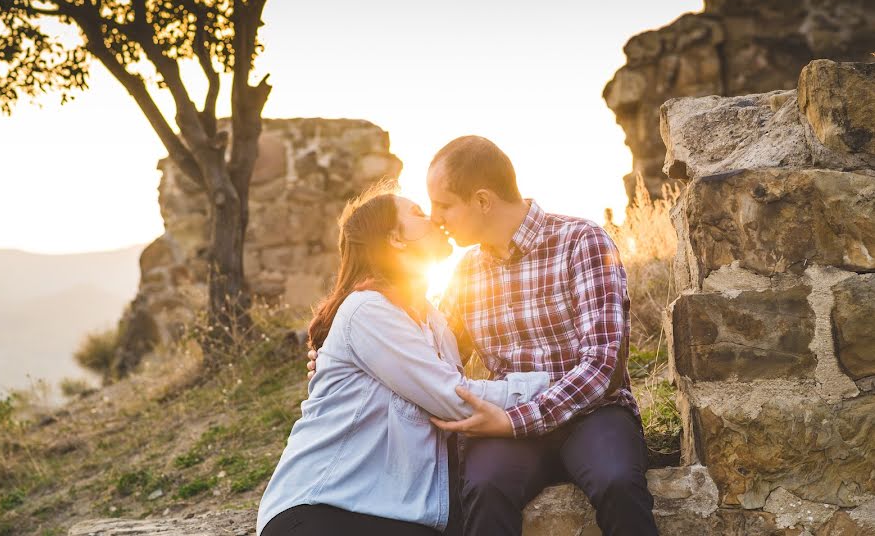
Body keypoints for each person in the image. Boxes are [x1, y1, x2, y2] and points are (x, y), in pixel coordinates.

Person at [309, 136, 659, 536]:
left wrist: (518, 421)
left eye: (443, 206)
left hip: (592, 413)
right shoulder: (466, 274)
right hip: (505, 424)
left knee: (617, 480)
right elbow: (425, 354)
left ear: (482, 201)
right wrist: (340, 359)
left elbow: (605, 365)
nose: (437, 219)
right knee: (482, 487)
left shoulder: (582, 241)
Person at [257, 183, 550, 536]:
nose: (435, 219)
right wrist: (551, 385)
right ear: (395, 238)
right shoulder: (368, 310)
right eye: (418, 213)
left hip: (399, 515)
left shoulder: (432, 321)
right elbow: (454, 398)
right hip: (323, 509)